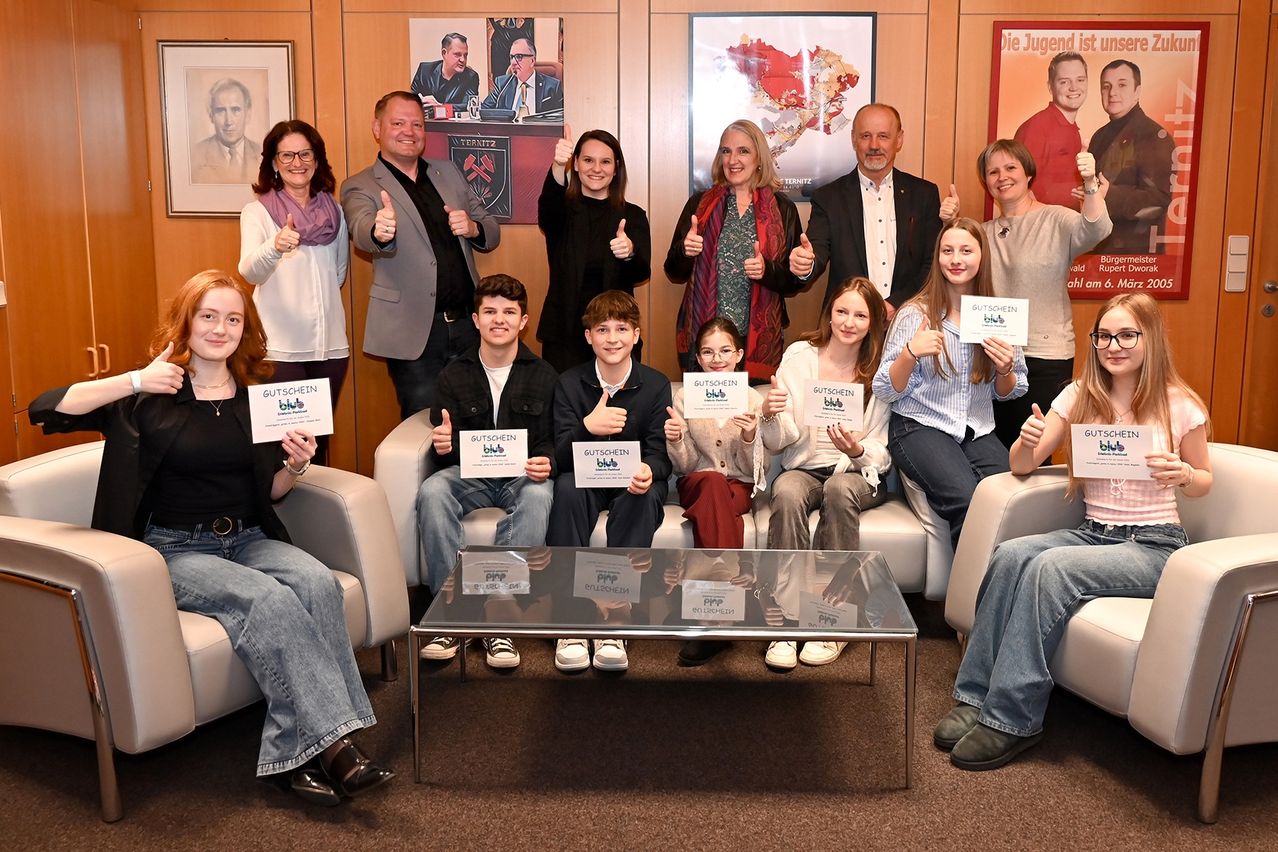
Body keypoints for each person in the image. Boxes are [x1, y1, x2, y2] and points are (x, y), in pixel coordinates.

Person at [27, 270, 392, 807]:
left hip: (247, 536)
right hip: (174, 547)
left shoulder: (259, 398)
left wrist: (296, 463)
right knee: (266, 600)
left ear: (245, 331)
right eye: (208, 316)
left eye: (233, 319)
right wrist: (133, 380)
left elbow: (272, 492)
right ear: (187, 322)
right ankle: (338, 749)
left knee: (317, 582)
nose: (220, 329)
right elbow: (45, 408)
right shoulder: (152, 394)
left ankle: (298, 753)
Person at [934, 292, 1212, 770]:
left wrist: (1183, 474)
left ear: (1150, 339)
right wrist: (1025, 442)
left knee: (1049, 568)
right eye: (1104, 335)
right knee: (1010, 554)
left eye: (1127, 335)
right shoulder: (1081, 393)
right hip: (1093, 533)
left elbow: (1204, 480)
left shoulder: (1179, 404)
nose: (1114, 345)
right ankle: (976, 696)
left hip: (1153, 544)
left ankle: (1012, 719)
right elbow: (1022, 466)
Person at [415, 274, 559, 669]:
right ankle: (453, 610)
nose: (500, 320)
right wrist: (442, 447)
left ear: (523, 321)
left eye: (509, 312)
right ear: (475, 320)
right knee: (432, 491)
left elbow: (551, 440)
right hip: (469, 475)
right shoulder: (452, 373)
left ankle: (499, 617)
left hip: (520, 477)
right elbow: (445, 446)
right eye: (490, 311)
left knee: (539, 494)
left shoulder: (544, 374)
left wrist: (547, 461)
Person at [940, 139, 1112, 448]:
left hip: (1044, 356)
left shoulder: (1056, 219)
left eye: (1010, 168)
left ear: (1028, 173)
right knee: (994, 448)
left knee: (1033, 451)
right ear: (986, 182)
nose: (1001, 177)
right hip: (993, 355)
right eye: (992, 172)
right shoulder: (984, 232)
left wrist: (1090, 184)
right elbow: (955, 269)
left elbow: (1097, 230)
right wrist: (948, 224)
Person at [341, 91, 500, 419]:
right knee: (423, 424)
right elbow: (360, 228)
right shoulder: (361, 184)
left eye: (416, 124)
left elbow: (491, 229)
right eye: (398, 123)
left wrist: (472, 228)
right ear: (377, 128)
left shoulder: (448, 173)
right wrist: (379, 231)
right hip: (414, 333)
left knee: (477, 416)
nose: (409, 131)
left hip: (468, 324)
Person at [760, 277, 893, 670]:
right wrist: (770, 413)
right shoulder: (800, 356)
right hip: (803, 467)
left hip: (854, 473)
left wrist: (857, 450)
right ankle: (785, 618)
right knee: (784, 491)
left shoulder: (878, 371)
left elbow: (881, 454)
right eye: (841, 312)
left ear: (872, 323)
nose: (848, 322)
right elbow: (779, 440)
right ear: (829, 313)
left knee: (837, 488)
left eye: (859, 314)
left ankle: (831, 618)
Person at [872, 218, 1028, 552]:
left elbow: (1013, 389)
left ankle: (1010, 595)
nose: (956, 259)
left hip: (978, 429)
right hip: (919, 425)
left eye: (966, 251)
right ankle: (970, 601)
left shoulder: (997, 315)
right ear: (938, 257)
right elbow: (885, 389)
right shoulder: (915, 313)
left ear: (981, 257)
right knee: (968, 498)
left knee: (1013, 503)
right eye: (948, 251)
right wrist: (911, 353)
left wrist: (1004, 369)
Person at [546, 290, 672, 673]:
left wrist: (650, 470)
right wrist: (587, 428)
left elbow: (659, 454)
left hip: (632, 480)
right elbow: (560, 457)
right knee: (566, 489)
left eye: (622, 329)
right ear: (588, 337)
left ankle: (614, 619)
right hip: (585, 478)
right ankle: (571, 618)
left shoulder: (655, 383)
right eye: (602, 329)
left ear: (636, 335)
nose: (612, 338)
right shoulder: (569, 383)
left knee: (643, 498)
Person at [239, 119, 348, 466]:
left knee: (318, 447)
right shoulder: (257, 213)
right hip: (279, 351)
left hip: (330, 348)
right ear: (273, 162)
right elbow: (249, 271)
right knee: (280, 450)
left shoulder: (335, 213)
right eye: (286, 155)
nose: (296, 163)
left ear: (317, 160)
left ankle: (318, 520)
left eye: (305, 154)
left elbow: (340, 273)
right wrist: (274, 246)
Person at [665, 119, 803, 380]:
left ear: (759, 158)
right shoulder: (699, 204)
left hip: (755, 341)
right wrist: (685, 251)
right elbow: (673, 271)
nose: (732, 159)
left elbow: (793, 282)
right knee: (706, 420)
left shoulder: (783, 209)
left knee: (751, 416)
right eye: (726, 151)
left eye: (743, 151)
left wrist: (767, 270)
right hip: (706, 340)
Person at [663, 317, 766, 665]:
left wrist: (751, 437)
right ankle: (722, 612)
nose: (716, 358)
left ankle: (707, 614)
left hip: (739, 485)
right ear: (699, 358)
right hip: (697, 483)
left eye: (724, 351)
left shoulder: (752, 398)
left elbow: (755, 470)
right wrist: (676, 439)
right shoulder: (685, 396)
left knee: (721, 488)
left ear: (738, 355)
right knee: (710, 481)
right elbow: (685, 465)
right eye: (707, 352)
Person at [789, 104, 943, 319]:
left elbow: (932, 262)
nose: (874, 145)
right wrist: (806, 264)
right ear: (854, 139)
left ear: (899, 140)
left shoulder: (924, 194)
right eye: (865, 136)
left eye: (883, 136)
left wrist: (895, 304)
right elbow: (817, 251)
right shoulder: (828, 197)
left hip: (909, 320)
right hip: (848, 327)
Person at [538, 126, 651, 372]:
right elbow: (547, 210)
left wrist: (630, 253)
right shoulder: (562, 210)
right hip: (565, 333)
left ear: (616, 167)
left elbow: (643, 272)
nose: (596, 169)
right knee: (567, 406)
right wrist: (558, 164)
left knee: (618, 406)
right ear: (576, 164)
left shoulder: (633, 215)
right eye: (588, 160)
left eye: (605, 162)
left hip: (616, 334)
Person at [1088, 59, 1175, 254]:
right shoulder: (1099, 135)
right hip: (1100, 255)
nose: (1112, 93)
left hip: (1135, 259)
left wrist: (1109, 194)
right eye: (1106, 86)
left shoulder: (1153, 136)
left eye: (1122, 85)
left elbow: (1158, 201)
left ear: (1137, 91)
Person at [1014, 51, 1089, 210]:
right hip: (1045, 229)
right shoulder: (1036, 128)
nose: (1074, 87)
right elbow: (1022, 188)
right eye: (1064, 82)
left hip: (1068, 225)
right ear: (1050, 86)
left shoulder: (1073, 130)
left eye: (1080, 80)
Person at [191, 78, 262, 184]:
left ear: (248, 114)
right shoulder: (195, 156)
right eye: (220, 111)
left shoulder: (262, 153)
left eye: (235, 110)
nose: (228, 121)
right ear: (211, 115)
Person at [480, 37, 563, 116]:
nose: (513, 62)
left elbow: (559, 118)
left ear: (532, 61)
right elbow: (484, 111)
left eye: (519, 57)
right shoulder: (502, 84)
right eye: (511, 57)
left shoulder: (552, 86)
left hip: (538, 130)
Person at [410, 32, 480, 108]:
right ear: (444, 53)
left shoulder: (471, 77)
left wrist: (440, 107)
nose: (463, 60)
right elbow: (410, 101)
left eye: (465, 55)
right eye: (457, 54)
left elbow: (468, 106)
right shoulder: (425, 71)